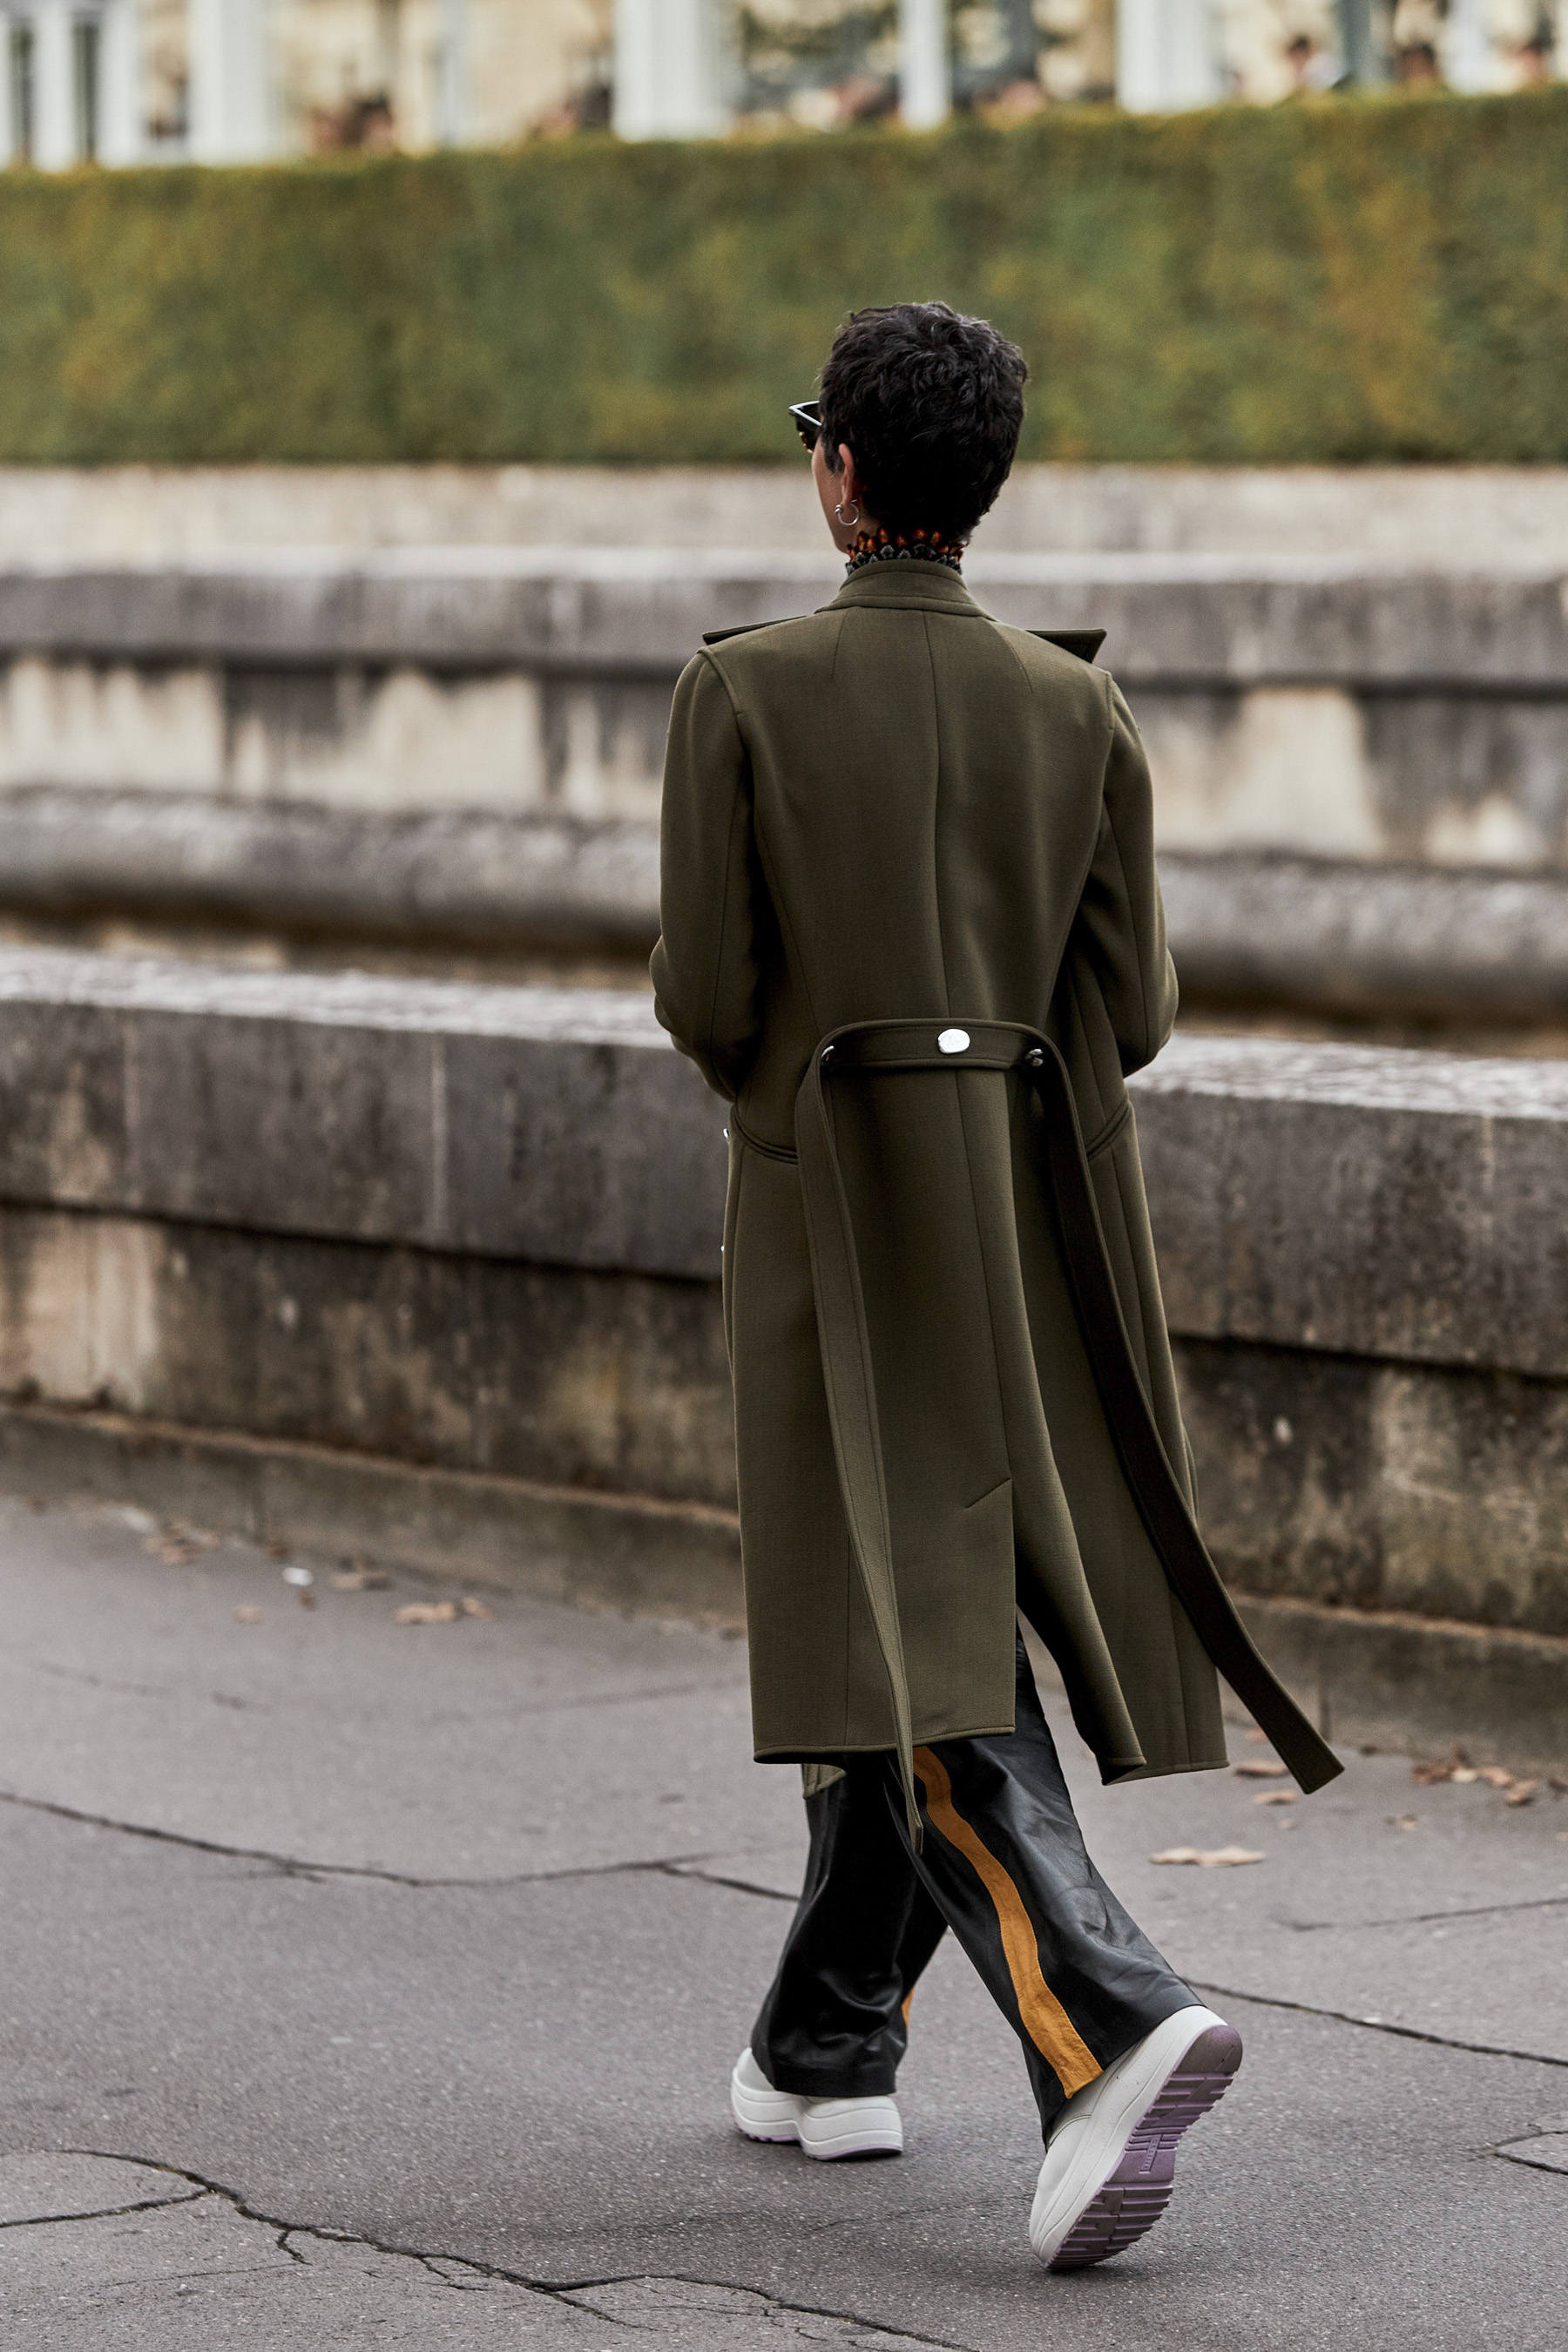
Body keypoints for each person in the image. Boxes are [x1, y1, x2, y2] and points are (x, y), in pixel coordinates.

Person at [650, 302, 1340, 2272]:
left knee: (903, 1615)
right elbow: (1137, 1010)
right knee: (902, 1600)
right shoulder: (1075, 704)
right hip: (1039, 1223)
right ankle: (828, 2041)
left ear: (840, 470)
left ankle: (1106, 2022)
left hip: (838, 1215)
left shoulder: (742, 692)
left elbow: (710, 996)